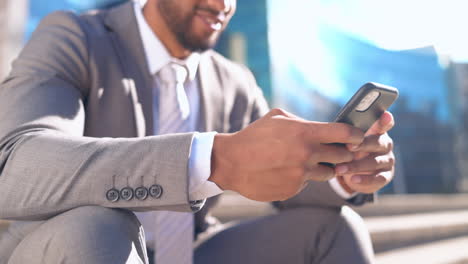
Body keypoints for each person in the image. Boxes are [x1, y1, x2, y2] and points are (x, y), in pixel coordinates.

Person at [0, 0, 395, 263]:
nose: (222, 5)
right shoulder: (74, 37)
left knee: (335, 228)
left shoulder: (233, 80)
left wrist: (346, 172)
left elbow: (287, 176)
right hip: (71, 248)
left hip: (190, 252)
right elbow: (16, 164)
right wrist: (212, 160)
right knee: (98, 225)